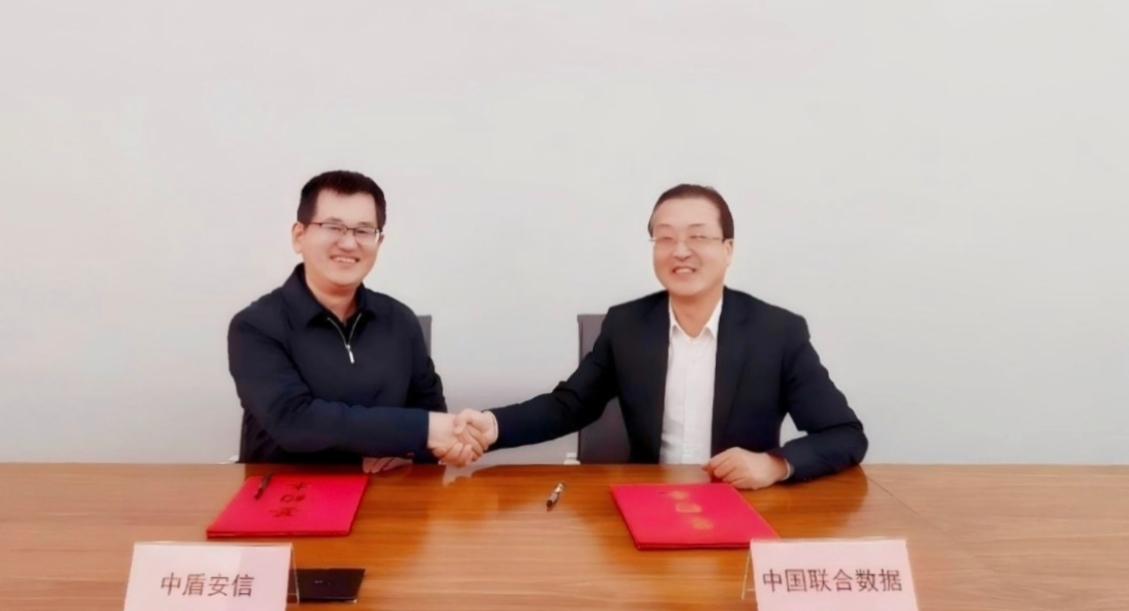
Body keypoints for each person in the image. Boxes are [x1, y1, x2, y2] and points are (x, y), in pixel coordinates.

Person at [451, 184, 867, 489]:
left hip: (742, 506)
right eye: (665, 237)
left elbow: (845, 434)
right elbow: (570, 405)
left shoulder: (777, 332)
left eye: (697, 236)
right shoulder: (627, 325)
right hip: (650, 502)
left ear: (728, 249)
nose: (679, 250)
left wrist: (773, 465)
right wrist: (493, 426)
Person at [227, 170, 483, 470]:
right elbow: (294, 421)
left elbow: (431, 416)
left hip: (387, 492)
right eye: (333, 227)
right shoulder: (255, 326)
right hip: (288, 492)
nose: (349, 243)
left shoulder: (400, 320)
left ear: (379, 241)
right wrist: (419, 431)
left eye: (363, 230)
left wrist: (415, 451)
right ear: (299, 236)